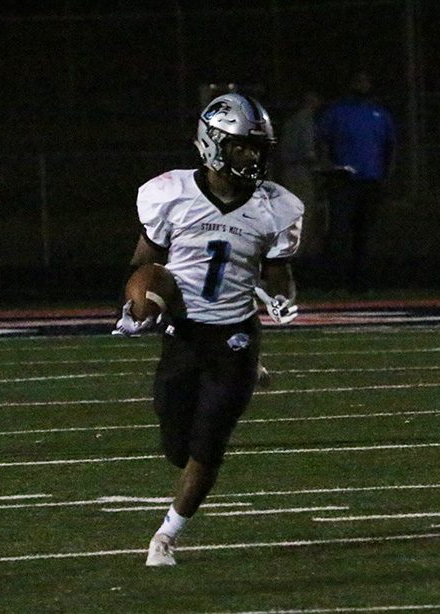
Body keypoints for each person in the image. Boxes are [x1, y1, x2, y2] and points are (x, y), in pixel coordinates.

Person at [114, 93, 303, 566]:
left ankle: (166, 535)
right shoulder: (170, 192)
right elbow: (145, 264)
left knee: (208, 442)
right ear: (214, 143)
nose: (253, 156)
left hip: (236, 333)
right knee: (177, 445)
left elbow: (278, 272)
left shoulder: (275, 206)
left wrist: (282, 295)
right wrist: (140, 305)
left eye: (258, 148)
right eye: (242, 146)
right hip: (184, 330)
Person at [316, 69, 395, 292]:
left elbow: (390, 147)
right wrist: (329, 168)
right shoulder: (337, 112)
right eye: (358, 80)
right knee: (339, 232)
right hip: (343, 180)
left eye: (365, 80)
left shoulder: (379, 113)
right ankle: (331, 282)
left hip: (370, 180)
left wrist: (385, 176)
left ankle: (359, 283)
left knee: (364, 233)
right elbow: (322, 142)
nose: (362, 84)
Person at [279, 90, 325, 265]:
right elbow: (307, 152)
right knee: (304, 211)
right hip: (300, 170)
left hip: (291, 169)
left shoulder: (293, 120)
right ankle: (299, 253)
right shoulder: (306, 121)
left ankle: (293, 250)